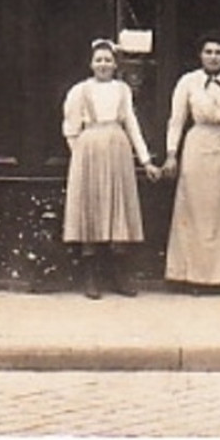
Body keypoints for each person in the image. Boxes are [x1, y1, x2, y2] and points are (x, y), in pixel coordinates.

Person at [61, 39, 162, 299]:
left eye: (108, 60)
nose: (103, 65)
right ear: (91, 64)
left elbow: (132, 124)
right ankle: (91, 274)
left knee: (118, 208)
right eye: (99, 60)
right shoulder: (79, 91)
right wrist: (82, 154)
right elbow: (70, 128)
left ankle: (119, 274)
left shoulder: (122, 90)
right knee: (92, 208)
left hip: (118, 150)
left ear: (116, 64)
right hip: (90, 150)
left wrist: (145, 161)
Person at [161, 32, 220, 290]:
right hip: (197, 144)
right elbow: (176, 120)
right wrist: (171, 154)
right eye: (208, 52)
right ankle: (193, 276)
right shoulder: (188, 81)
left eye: (219, 53)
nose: (213, 57)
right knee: (195, 209)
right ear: (200, 55)